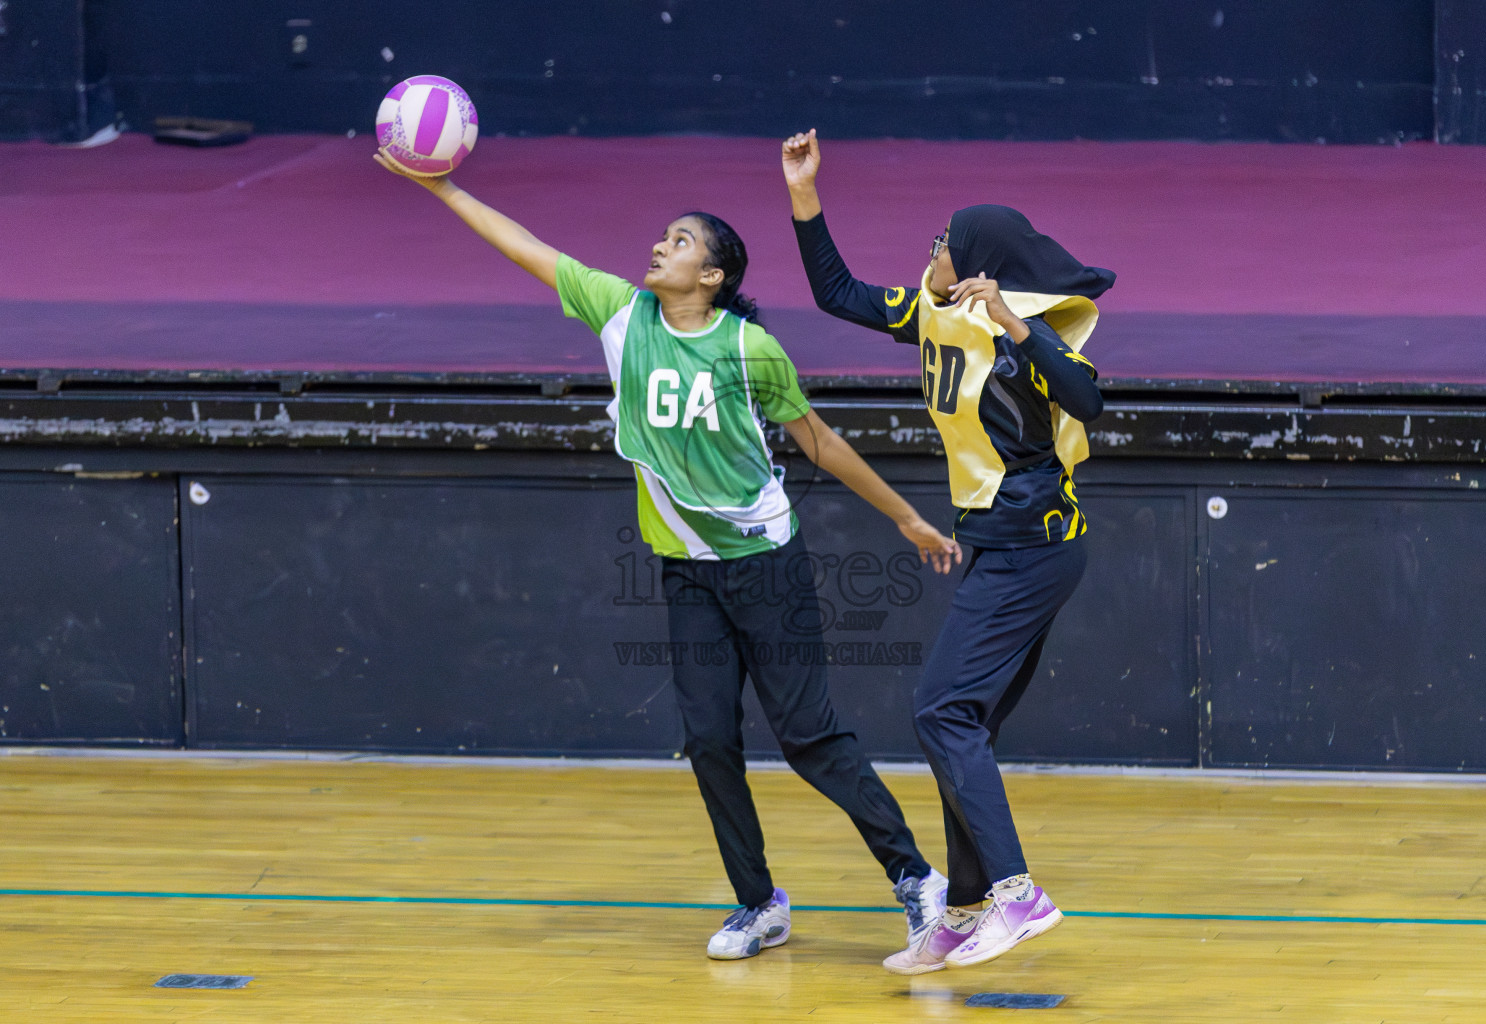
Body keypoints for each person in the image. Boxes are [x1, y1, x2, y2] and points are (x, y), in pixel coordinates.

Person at [375, 150, 957, 961]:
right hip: (686, 571)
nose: (659, 246)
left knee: (808, 736)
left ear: (711, 275)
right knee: (710, 738)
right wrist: (441, 187)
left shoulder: (750, 351)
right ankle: (759, 904)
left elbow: (817, 442)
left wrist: (907, 519)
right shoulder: (620, 314)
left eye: (679, 241)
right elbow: (523, 245)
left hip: (765, 564)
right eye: (662, 236)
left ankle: (918, 881)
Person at [780, 129, 1115, 973]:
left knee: (941, 712)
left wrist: (1015, 324)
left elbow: (1089, 397)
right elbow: (837, 293)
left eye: (941, 240)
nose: (928, 250)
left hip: (1034, 548)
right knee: (962, 729)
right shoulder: (930, 311)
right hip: (999, 548)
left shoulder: (1018, 334)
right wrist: (805, 196)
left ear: (971, 258)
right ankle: (965, 911)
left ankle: (1016, 894)